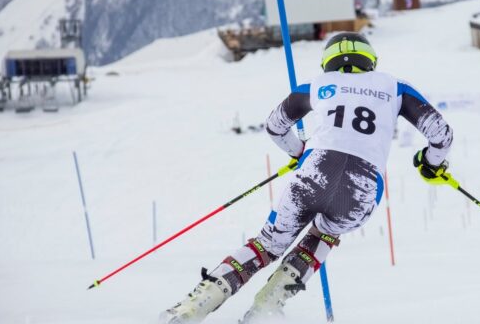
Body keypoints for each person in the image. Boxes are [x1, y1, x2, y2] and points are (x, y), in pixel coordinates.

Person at [160, 32, 454, 324]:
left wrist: (299, 152)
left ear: (327, 62)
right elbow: (442, 135)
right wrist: (430, 164)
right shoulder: (395, 87)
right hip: (363, 189)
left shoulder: (316, 85)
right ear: (371, 62)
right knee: (323, 235)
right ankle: (267, 309)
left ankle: (194, 307)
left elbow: (275, 126)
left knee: (268, 244)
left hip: (315, 171)